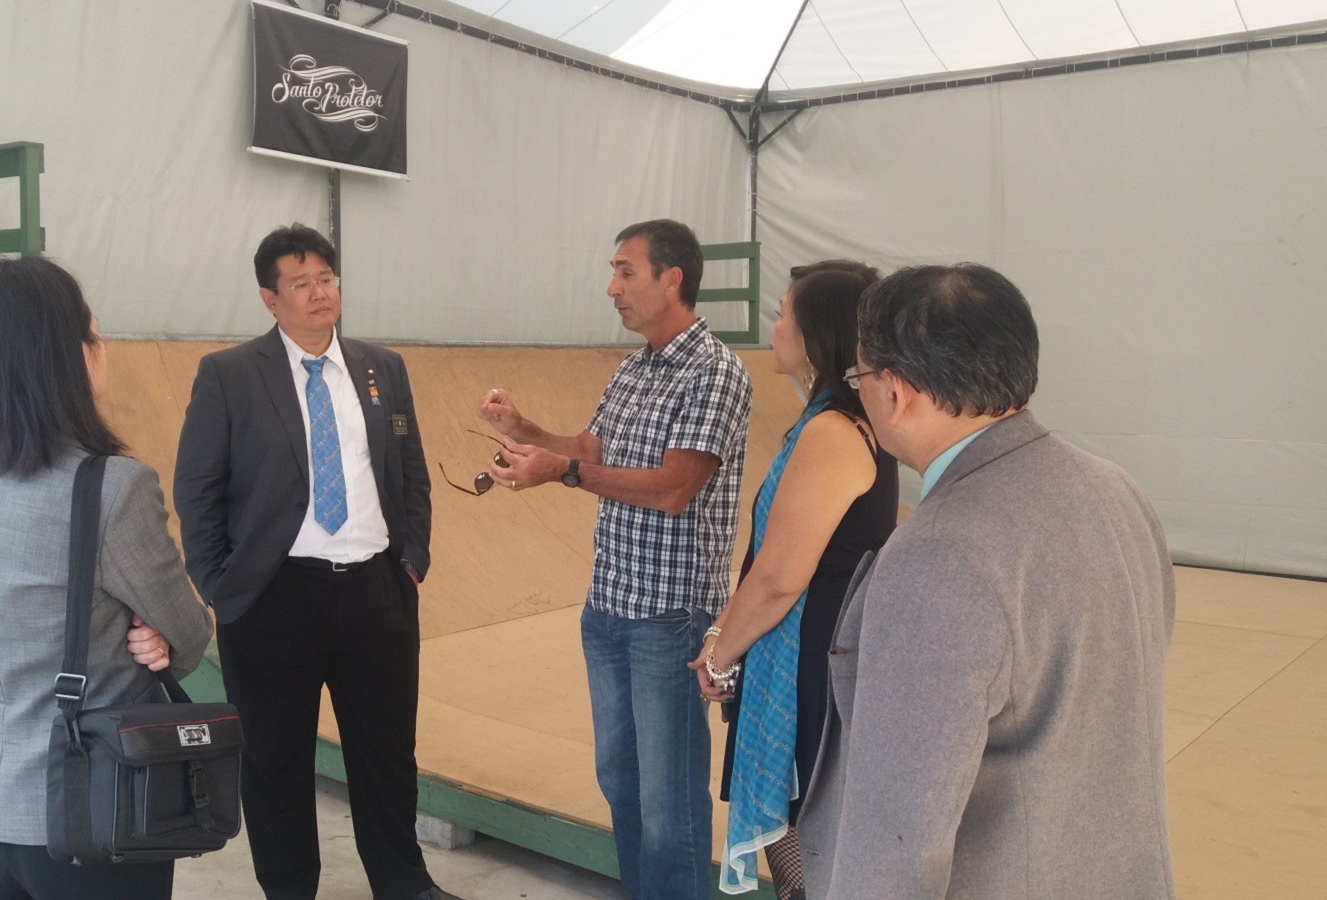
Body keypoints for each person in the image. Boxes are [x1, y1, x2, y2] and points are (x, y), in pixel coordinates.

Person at [797, 264, 1176, 898]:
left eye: (860, 377)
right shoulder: (1117, 489)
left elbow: (896, 839)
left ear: (897, 392)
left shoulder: (937, 554)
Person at [173, 224, 452, 900]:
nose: (319, 292)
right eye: (301, 283)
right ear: (270, 298)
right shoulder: (230, 374)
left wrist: (411, 557)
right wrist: (220, 585)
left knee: (387, 750)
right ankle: (291, 887)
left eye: (326, 278)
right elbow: (197, 488)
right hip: (273, 596)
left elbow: (411, 472)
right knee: (274, 759)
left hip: (377, 592)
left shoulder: (382, 368)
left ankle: (404, 883)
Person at [0, 255, 213, 900]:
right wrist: (157, 636)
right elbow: (189, 635)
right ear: (69, 358)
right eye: (95, 337)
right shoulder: (111, 487)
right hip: (89, 805)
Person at [479, 219, 752, 899]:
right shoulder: (633, 368)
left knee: (668, 801)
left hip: (670, 619)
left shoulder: (713, 371)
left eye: (626, 272)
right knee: (622, 784)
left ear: (672, 279)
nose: (613, 288)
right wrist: (524, 431)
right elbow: (590, 450)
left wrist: (561, 473)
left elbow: (674, 488)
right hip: (608, 610)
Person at [692, 261, 898, 899]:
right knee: (800, 843)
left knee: (807, 850)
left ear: (815, 336)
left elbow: (780, 576)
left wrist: (720, 653)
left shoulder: (833, 431)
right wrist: (726, 634)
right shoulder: (834, 421)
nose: (774, 325)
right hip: (807, 656)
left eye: (783, 313)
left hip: (811, 669)